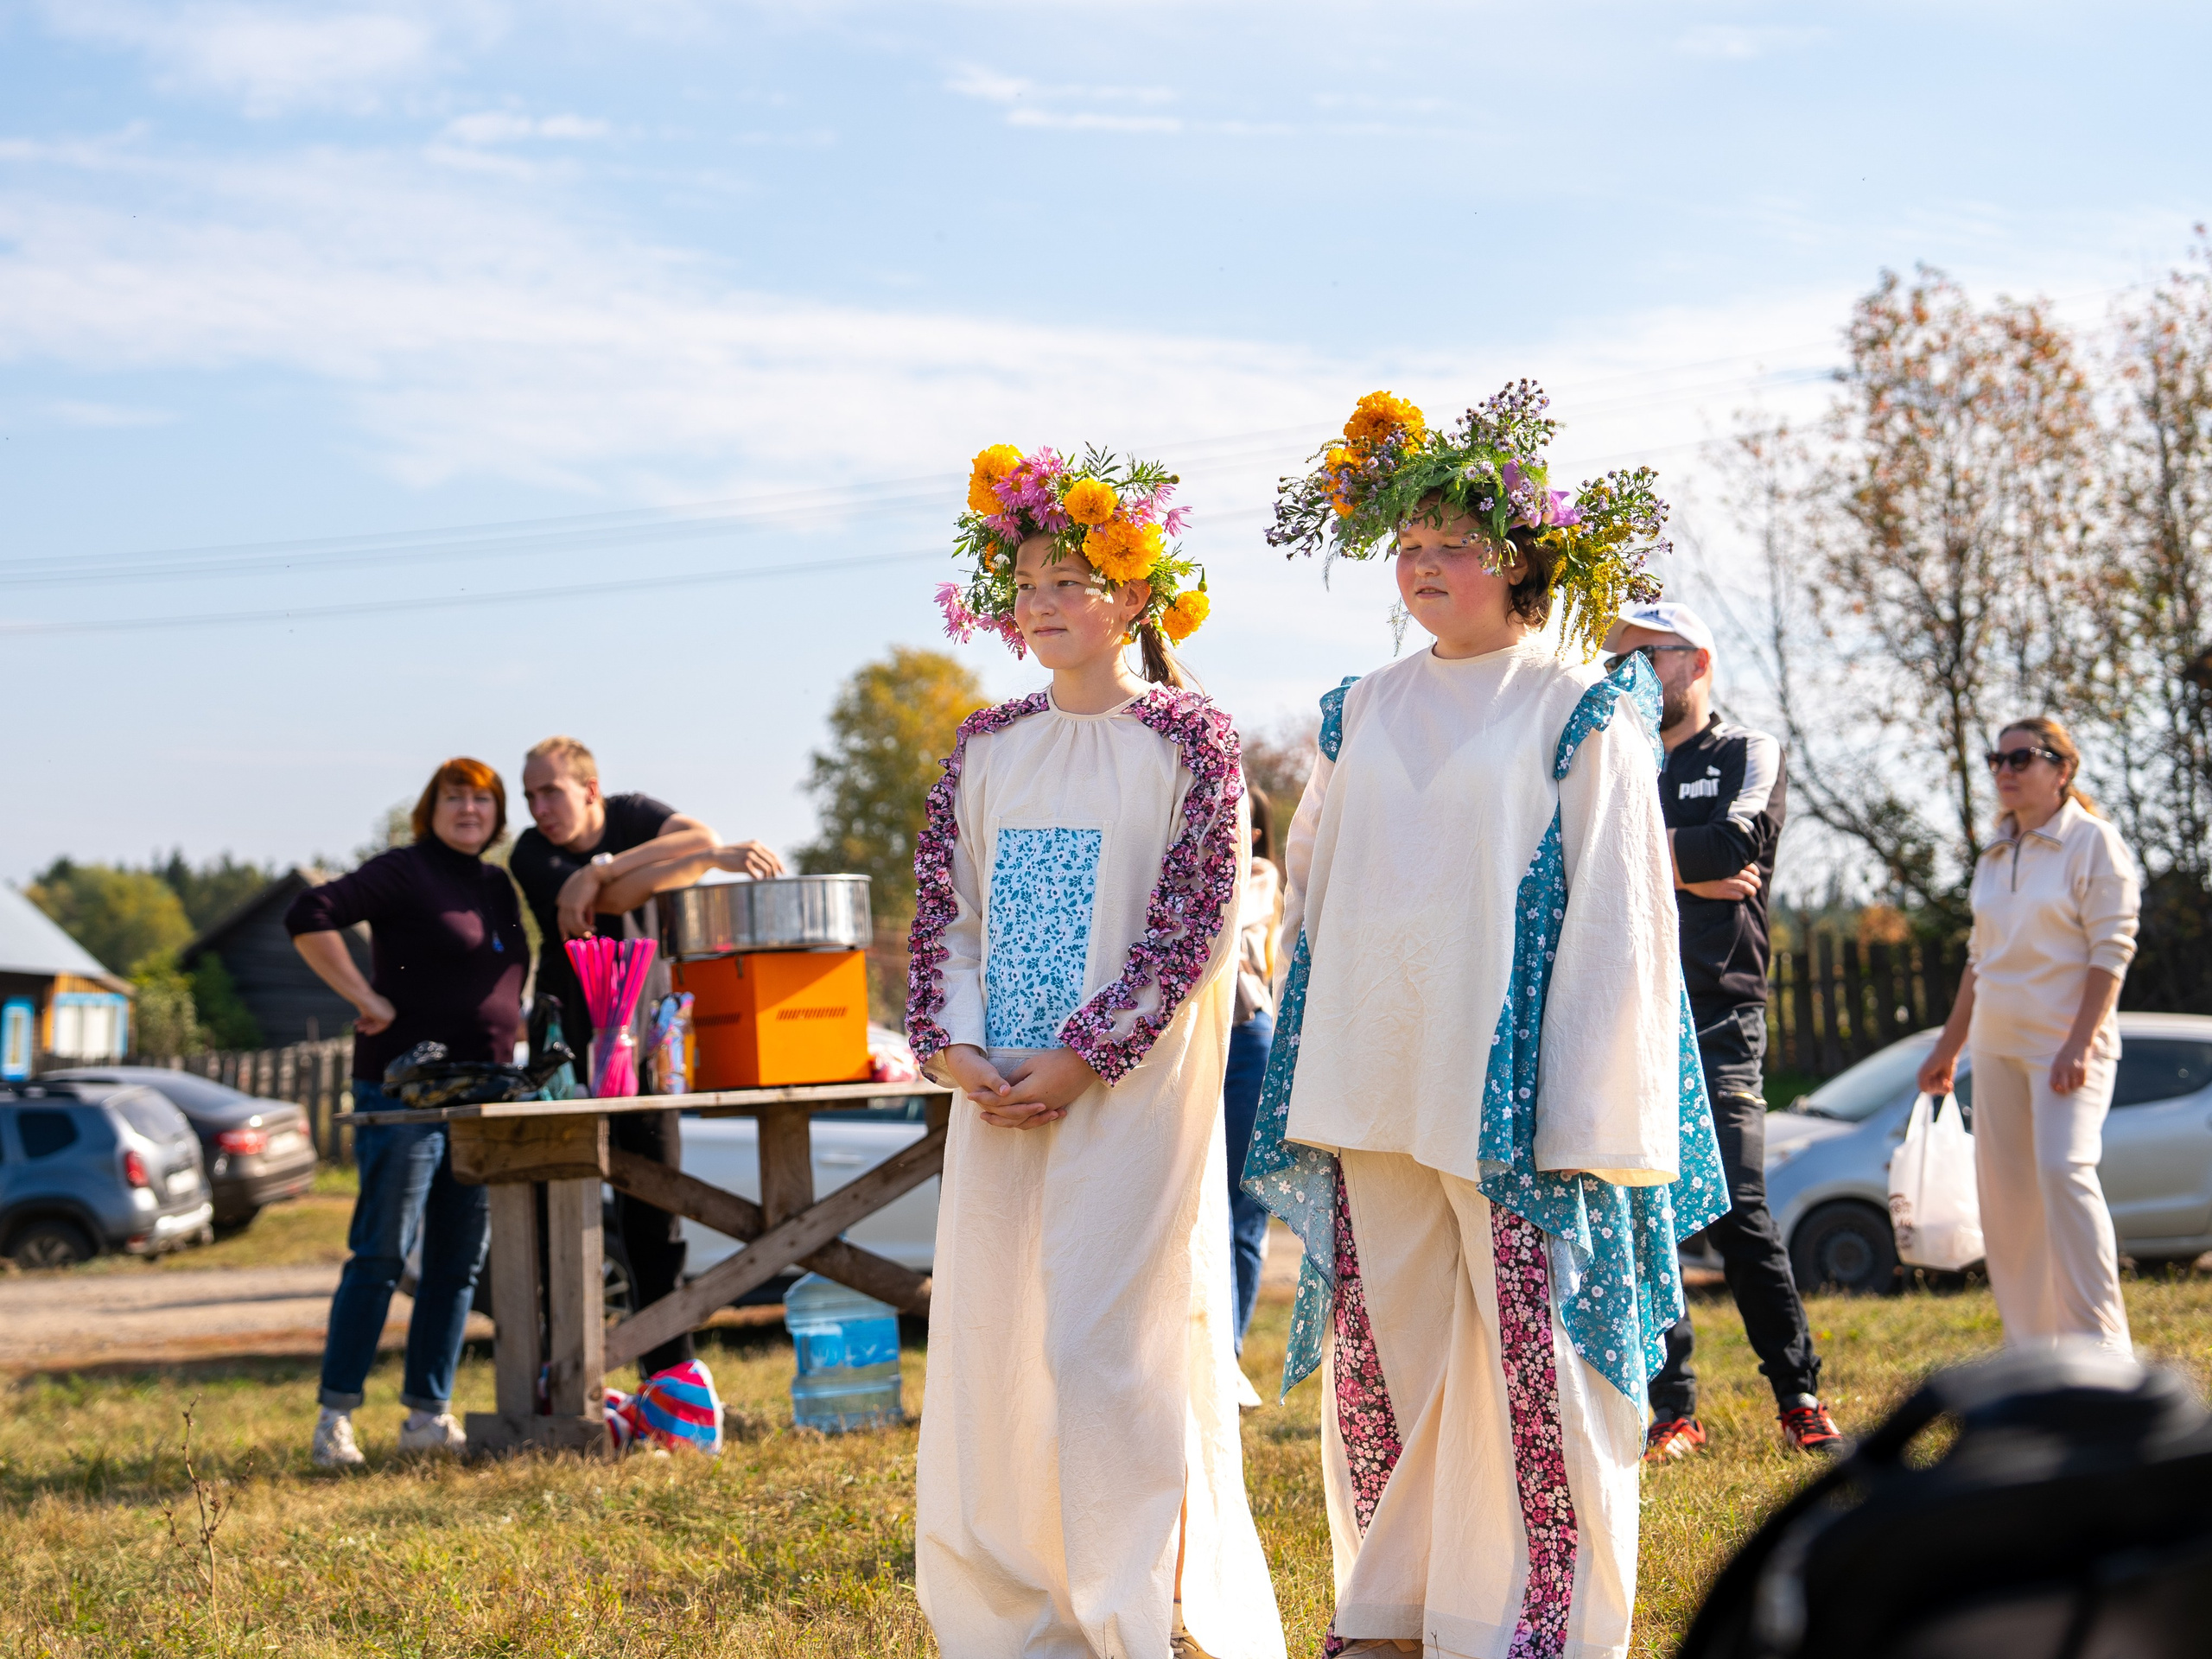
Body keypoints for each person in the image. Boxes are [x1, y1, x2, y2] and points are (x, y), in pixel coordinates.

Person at [1245, 385, 1726, 1658]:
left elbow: (1623, 915)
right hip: (1370, 1074)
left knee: (1535, 1362)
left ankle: (1540, 1626)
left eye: (1452, 543)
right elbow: (1316, 888)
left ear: (1519, 557)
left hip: (1510, 1092)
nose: (1423, 567)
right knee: (1391, 1355)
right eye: (1406, 548)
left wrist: (1585, 1107)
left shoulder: (1576, 702)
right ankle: (1403, 1613)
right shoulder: (1362, 706)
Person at [908, 443, 1282, 1659]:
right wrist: (963, 1051)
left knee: (1105, 1347)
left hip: (1124, 1093)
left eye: (1076, 579)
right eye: (1028, 585)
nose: (1050, 604)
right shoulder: (986, 745)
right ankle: (1021, 1608)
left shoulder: (1189, 740)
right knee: (1003, 1342)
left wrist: (1082, 1057)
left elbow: (1192, 923)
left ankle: (1131, 1604)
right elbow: (946, 916)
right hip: (999, 1094)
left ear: (1134, 593)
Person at [1602, 601, 1841, 1460]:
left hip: (1718, 1012)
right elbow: (1585, 858)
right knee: (1646, 1210)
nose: (1623, 672)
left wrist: (1649, 860)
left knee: (1738, 1210)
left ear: (1694, 661)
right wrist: (1684, 863)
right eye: (1612, 658)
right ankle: (1674, 1411)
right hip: (1626, 1009)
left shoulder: (1746, 751)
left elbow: (1738, 841)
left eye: (1643, 657)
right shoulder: (1608, 759)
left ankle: (1798, 1395)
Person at [509, 734, 783, 1382]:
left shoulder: (630, 813)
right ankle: (563, 1378)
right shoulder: (530, 851)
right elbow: (624, 899)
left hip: (650, 1047)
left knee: (655, 1218)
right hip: (568, 1054)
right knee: (560, 1217)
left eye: (550, 791)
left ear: (590, 790)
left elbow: (697, 834)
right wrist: (699, 859)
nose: (539, 808)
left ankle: (669, 1377)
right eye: (530, 796)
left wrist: (600, 865)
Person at [289, 757, 528, 1469]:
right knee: (383, 1254)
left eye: (483, 800)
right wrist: (367, 999)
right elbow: (309, 914)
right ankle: (335, 1421)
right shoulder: (405, 870)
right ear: (433, 807)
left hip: (482, 1094)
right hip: (406, 1095)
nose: (469, 810)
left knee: (457, 1265)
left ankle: (428, 1415)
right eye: (455, 797)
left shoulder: (495, 883)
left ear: (496, 814)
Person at [1917, 716, 2139, 1355]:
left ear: (2062, 768)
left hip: (2066, 1050)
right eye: (1997, 759)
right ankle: (2035, 1357)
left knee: (2063, 1173)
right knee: (2008, 1207)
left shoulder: (2094, 843)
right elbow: (1980, 959)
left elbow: (2112, 950)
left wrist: (2079, 1042)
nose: (2005, 770)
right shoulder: (1995, 849)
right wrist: (1948, 1045)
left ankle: (2104, 1354)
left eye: (2023, 757)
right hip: (1996, 1047)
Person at [1224, 781, 1281, 1355]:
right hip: (1189, 1045)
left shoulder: (1260, 875)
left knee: (1243, 1202)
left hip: (1244, 1039)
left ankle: (1231, 1352)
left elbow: (1226, 916)